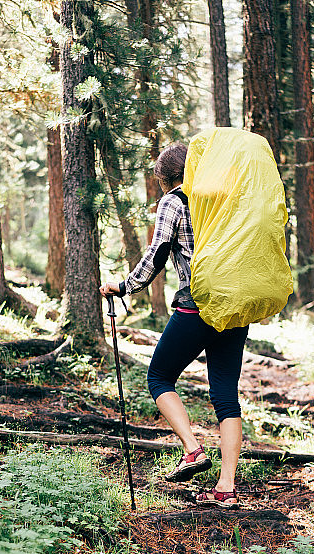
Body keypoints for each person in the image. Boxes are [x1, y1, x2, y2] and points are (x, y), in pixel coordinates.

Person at [99, 142, 248, 508]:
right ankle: (226, 487)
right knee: (226, 396)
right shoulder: (222, 198)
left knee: (159, 377)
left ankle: (193, 449)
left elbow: (158, 255)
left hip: (197, 307)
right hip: (234, 307)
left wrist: (122, 286)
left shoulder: (174, 200)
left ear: (164, 179)